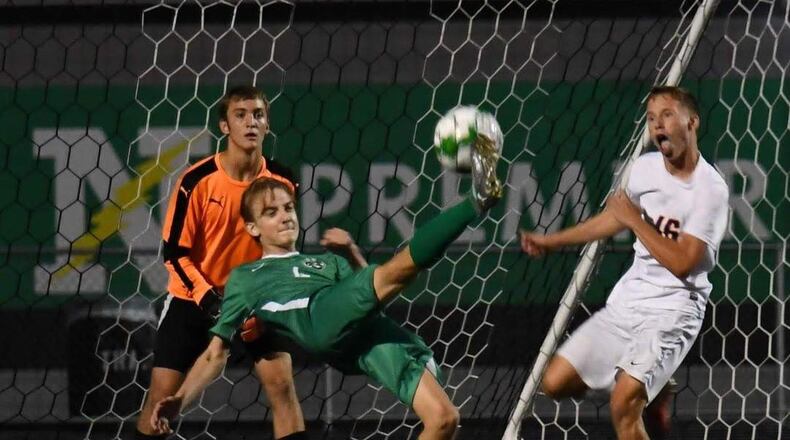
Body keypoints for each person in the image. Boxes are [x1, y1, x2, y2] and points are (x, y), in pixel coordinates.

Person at [149, 130, 504, 440]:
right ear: (253, 228)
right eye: (271, 212)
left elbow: (372, 297)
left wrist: (350, 253)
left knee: (444, 420)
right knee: (396, 270)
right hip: (316, 316)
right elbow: (215, 353)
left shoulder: (325, 261)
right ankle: (478, 200)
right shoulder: (247, 277)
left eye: (289, 207)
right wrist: (181, 400)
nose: (286, 215)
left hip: (366, 337)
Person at [520, 86, 729, 439]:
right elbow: (613, 218)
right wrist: (552, 240)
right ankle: (653, 387)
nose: (657, 125)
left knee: (623, 405)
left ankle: (638, 390)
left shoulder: (710, 190)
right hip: (628, 303)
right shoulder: (644, 169)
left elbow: (682, 263)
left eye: (666, 115)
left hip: (674, 310)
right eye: (651, 118)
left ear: (692, 122)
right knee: (553, 383)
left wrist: (635, 220)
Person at [135, 86, 306, 440]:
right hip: (193, 300)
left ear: (268, 124)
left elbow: (283, 248)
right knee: (161, 401)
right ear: (224, 126)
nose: (250, 122)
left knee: (282, 388)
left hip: (253, 302)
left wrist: (265, 297)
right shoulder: (195, 182)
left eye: (258, 114)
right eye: (240, 115)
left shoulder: (283, 181)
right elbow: (174, 254)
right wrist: (209, 299)